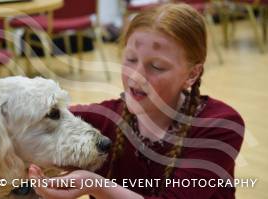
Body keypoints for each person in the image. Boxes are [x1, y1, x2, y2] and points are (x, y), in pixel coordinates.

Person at [29, 3, 244, 199]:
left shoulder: (221, 125)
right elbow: (28, 126)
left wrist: (94, 184)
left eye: (157, 66)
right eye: (130, 60)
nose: (136, 76)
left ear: (192, 75)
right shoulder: (99, 120)